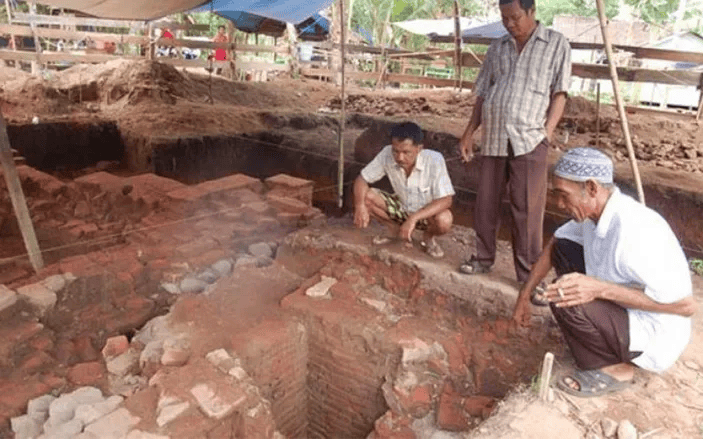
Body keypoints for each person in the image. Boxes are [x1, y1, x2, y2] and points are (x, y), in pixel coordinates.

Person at [511, 147, 696, 397]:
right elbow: (557, 243)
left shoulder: (634, 231)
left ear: (591, 188)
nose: (559, 204)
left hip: (654, 333)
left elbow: (686, 307)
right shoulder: (594, 214)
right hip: (624, 310)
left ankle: (614, 368)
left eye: (563, 195)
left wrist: (598, 289)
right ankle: (599, 333)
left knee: (565, 297)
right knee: (565, 248)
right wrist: (524, 296)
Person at [457, 0, 571, 284]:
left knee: (528, 210)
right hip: (494, 136)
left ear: (532, 12)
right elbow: (483, 93)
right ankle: (483, 258)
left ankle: (528, 275)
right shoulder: (498, 47)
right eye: (504, 18)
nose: (509, 24)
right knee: (486, 203)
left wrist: (548, 130)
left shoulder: (556, 44)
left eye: (515, 17)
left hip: (530, 139)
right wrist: (470, 132)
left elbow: (560, 93)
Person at [353, 122, 454, 258]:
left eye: (406, 152)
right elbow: (362, 179)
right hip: (401, 207)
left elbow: (446, 200)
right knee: (367, 196)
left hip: (426, 214)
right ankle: (394, 230)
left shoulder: (434, 160)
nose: (400, 157)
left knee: (445, 219)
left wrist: (413, 219)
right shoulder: (386, 153)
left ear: (419, 149)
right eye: (396, 151)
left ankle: (428, 238)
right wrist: (359, 205)